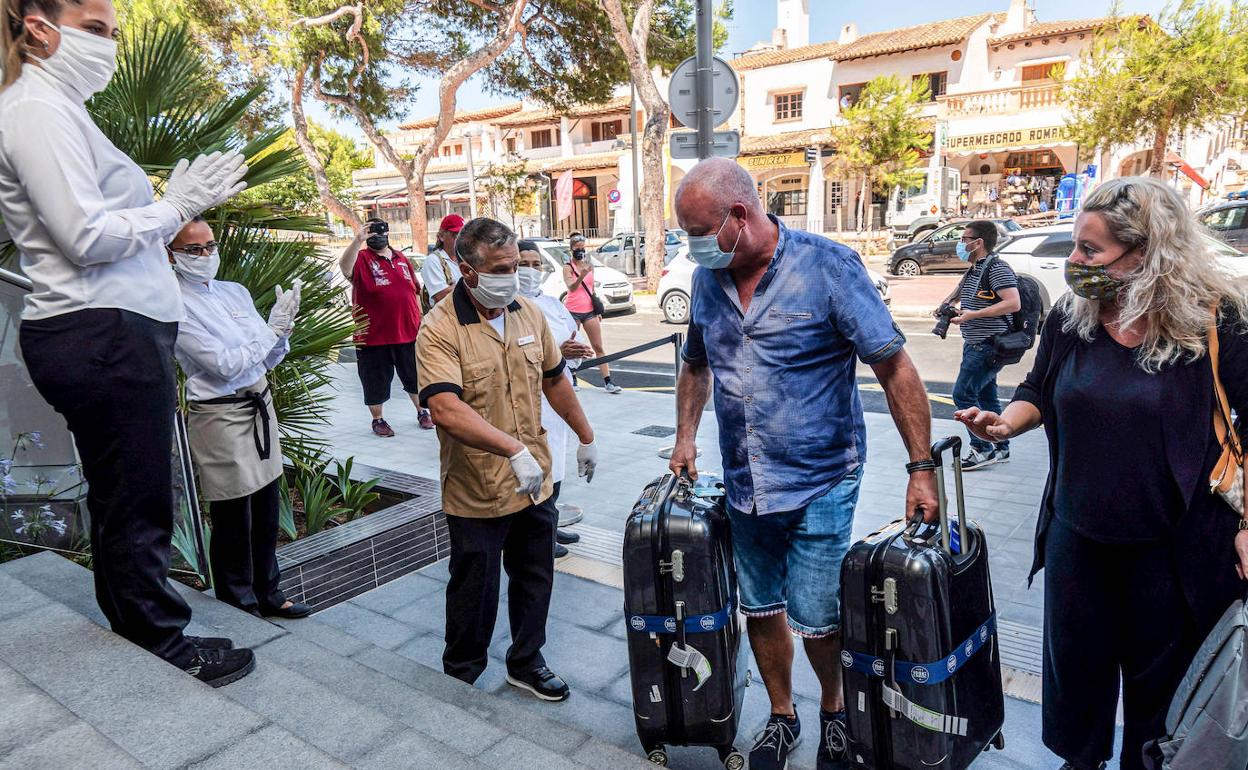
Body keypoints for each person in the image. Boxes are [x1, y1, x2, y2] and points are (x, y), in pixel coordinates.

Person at [0, 0, 255, 686]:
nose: (107, 45)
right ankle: (162, 641)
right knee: (138, 495)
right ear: (36, 24)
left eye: (112, 31)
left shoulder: (56, 108)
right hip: (101, 330)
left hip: (105, 330)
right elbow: (84, 238)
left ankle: (137, 621)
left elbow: (99, 220)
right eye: (93, 27)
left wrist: (168, 200)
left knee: (125, 493)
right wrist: (176, 205)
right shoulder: (35, 110)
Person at [955, 177, 1248, 770]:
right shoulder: (1073, 316)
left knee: (1160, 695)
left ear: (1146, 252)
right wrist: (1006, 423)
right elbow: (1038, 388)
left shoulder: (1216, 320)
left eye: (1090, 251)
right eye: (1074, 246)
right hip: (1077, 538)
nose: (1073, 262)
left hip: (1174, 549)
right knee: (1076, 680)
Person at [669, 158, 939, 770]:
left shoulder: (828, 267)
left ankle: (837, 715)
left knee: (817, 616)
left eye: (698, 232)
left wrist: (920, 466)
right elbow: (695, 363)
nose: (693, 248)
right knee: (760, 607)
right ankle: (784, 716)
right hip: (745, 485)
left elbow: (894, 366)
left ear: (739, 216)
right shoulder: (709, 282)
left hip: (823, 478)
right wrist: (685, 437)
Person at [416, 218, 598, 702]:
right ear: (466, 269)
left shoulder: (528, 313)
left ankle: (526, 660)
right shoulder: (439, 327)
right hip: (477, 484)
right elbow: (444, 408)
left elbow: (555, 378)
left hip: (535, 478)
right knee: (474, 588)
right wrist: (511, 449)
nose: (512, 275)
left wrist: (585, 436)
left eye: (515, 264)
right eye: (501, 268)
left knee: (535, 574)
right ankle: (462, 671)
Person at [169, 217, 311, 622]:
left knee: (267, 502)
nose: (205, 255)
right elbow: (224, 365)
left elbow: (265, 357)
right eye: (193, 249)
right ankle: (238, 601)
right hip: (220, 413)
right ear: (170, 254)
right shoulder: (174, 304)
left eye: (209, 246)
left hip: (258, 404)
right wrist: (270, 331)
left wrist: (282, 331)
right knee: (233, 510)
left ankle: (270, 591)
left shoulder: (235, 292)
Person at [517, 240, 596, 558]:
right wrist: (556, 354)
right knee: (541, 464)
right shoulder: (509, 307)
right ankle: (539, 537)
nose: (531, 270)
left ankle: (551, 527)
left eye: (537, 264)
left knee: (558, 463)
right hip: (533, 398)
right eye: (525, 263)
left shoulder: (552, 303)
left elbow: (570, 335)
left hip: (561, 394)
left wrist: (573, 353)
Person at [935, 220, 1021, 470]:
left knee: (962, 394)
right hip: (975, 343)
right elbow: (961, 293)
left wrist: (972, 315)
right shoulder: (975, 269)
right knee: (986, 395)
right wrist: (946, 307)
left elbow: (1013, 302)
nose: (960, 244)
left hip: (988, 345)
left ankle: (982, 448)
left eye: (964, 239)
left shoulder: (997, 268)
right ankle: (1001, 446)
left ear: (978, 242)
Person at [340, 218, 433, 435]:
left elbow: (415, 291)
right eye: (372, 234)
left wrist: (419, 319)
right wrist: (357, 241)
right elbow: (345, 269)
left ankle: (422, 412)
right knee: (375, 380)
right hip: (373, 336)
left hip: (408, 333)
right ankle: (378, 419)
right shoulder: (362, 258)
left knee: (415, 376)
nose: (377, 237)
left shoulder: (401, 258)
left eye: (380, 233)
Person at [562, 233, 620, 394]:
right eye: (577, 249)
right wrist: (581, 275)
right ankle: (573, 378)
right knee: (573, 346)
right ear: (571, 249)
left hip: (589, 311)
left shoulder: (589, 265)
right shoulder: (568, 267)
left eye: (582, 248)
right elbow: (571, 287)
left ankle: (608, 381)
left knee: (598, 346)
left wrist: (596, 310)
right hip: (572, 311)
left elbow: (592, 288)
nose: (580, 251)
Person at [420, 213, 464, 309]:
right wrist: (470, 284)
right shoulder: (433, 261)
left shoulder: (467, 259)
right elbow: (440, 297)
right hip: (445, 321)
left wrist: (454, 287)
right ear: (441, 236)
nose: (460, 240)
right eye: (455, 235)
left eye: (462, 235)